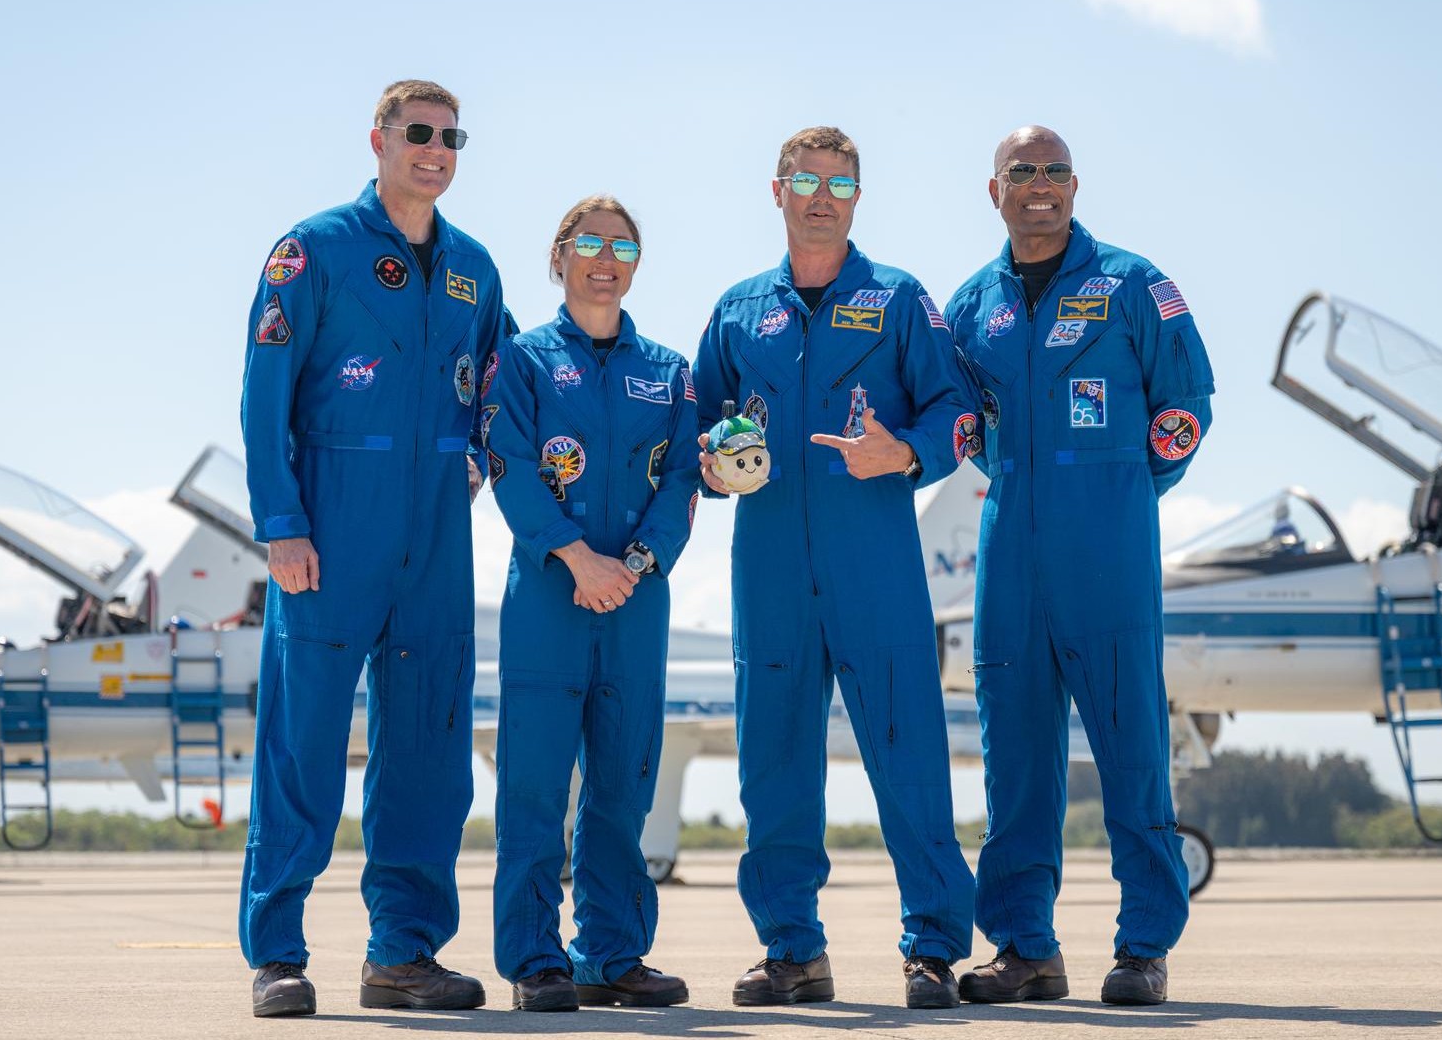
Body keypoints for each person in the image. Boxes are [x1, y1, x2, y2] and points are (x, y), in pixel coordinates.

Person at [237, 79, 508, 1018]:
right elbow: (263, 392)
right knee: (302, 745)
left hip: (435, 533)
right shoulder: (311, 251)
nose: (436, 149)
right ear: (380, 140)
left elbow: (506, 387)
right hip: (329, 525)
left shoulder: (475, 265)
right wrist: (281, 523)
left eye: (451, 136)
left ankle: (404, 953)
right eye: (419, 133)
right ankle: (276, 953)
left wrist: (482, 459)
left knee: (430, 751)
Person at [692, 126, 977, 1010]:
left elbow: (959, 411)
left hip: (876, 564)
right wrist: (710, 459)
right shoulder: (739, 309)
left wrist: (902, 454)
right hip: (769, 565)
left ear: (858, 197)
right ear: (776, 191)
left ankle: (932, 947)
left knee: (908, 752)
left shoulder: (898, 300)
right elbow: (696, 423)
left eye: (839, 184)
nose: (821, 196)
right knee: (771, 759)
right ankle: (791, 951)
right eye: (805, 180)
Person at [945, 126, 1215, 1006]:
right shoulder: (969, 305)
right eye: (1022, 172)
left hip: (1108, 547)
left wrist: (1125, 490)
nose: (1040, 185)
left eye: (1056, 171)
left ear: (1075, 186)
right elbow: (964, 428)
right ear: (995, 191)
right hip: (1008, 547)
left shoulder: (1137, 285)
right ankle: (1025, 948)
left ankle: (1144, 948)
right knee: (1014, 759)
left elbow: (1187, 407)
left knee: (1132, 749)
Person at [484, 195, 699, 1012]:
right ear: (560, 256)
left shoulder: (670, 372)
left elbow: (683, 478)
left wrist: (634, 564)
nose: (605, 258)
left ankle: (610, 954)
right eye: (589, 243)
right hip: (548, 594)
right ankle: (536, 958)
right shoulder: (525, 360)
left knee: (623, 785)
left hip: (636, 603)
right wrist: (578, 558)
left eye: (622, 245)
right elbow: (507, 461)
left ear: (636, 263)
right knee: (535, 789)